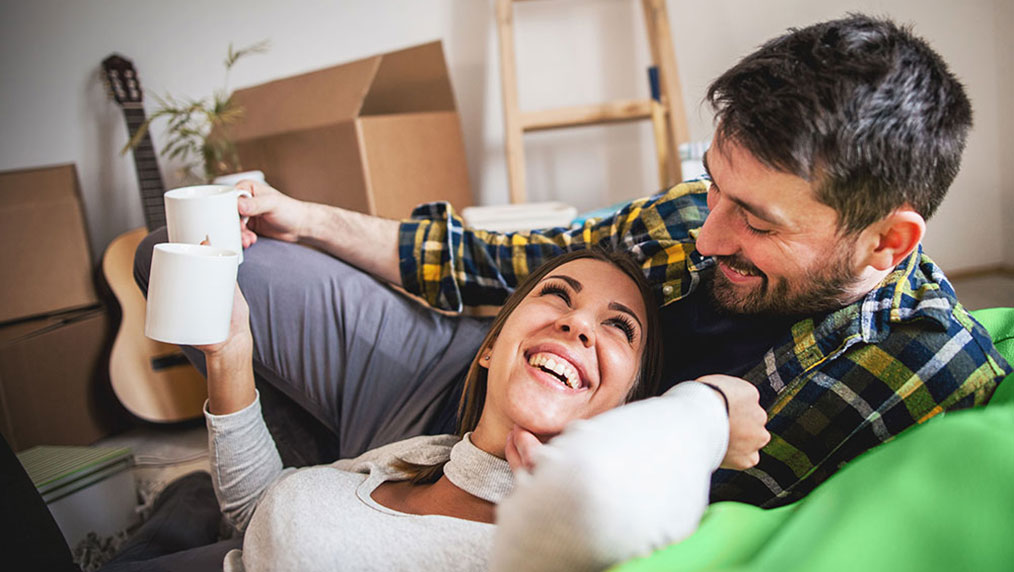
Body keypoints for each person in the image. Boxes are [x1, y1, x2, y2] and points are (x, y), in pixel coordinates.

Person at [132, 11, 1010, 569]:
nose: (706, 236)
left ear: (887, 240)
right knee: (187, 271)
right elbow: (503, 260)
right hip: (458, 383)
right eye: (712, 186)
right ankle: (285, 457)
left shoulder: (925, 373)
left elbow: (711, 527)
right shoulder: (692, 220)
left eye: (755, 221)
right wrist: (306, 219)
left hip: (535, 481)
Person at [196, 248, 766, 571]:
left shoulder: (572, 548)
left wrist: (707, 406)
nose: (577, 324)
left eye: (619, 326)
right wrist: (229, 356)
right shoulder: (409, 460)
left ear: (627, 406)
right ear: (491, 347)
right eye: (557, 295)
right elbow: (257, 523)